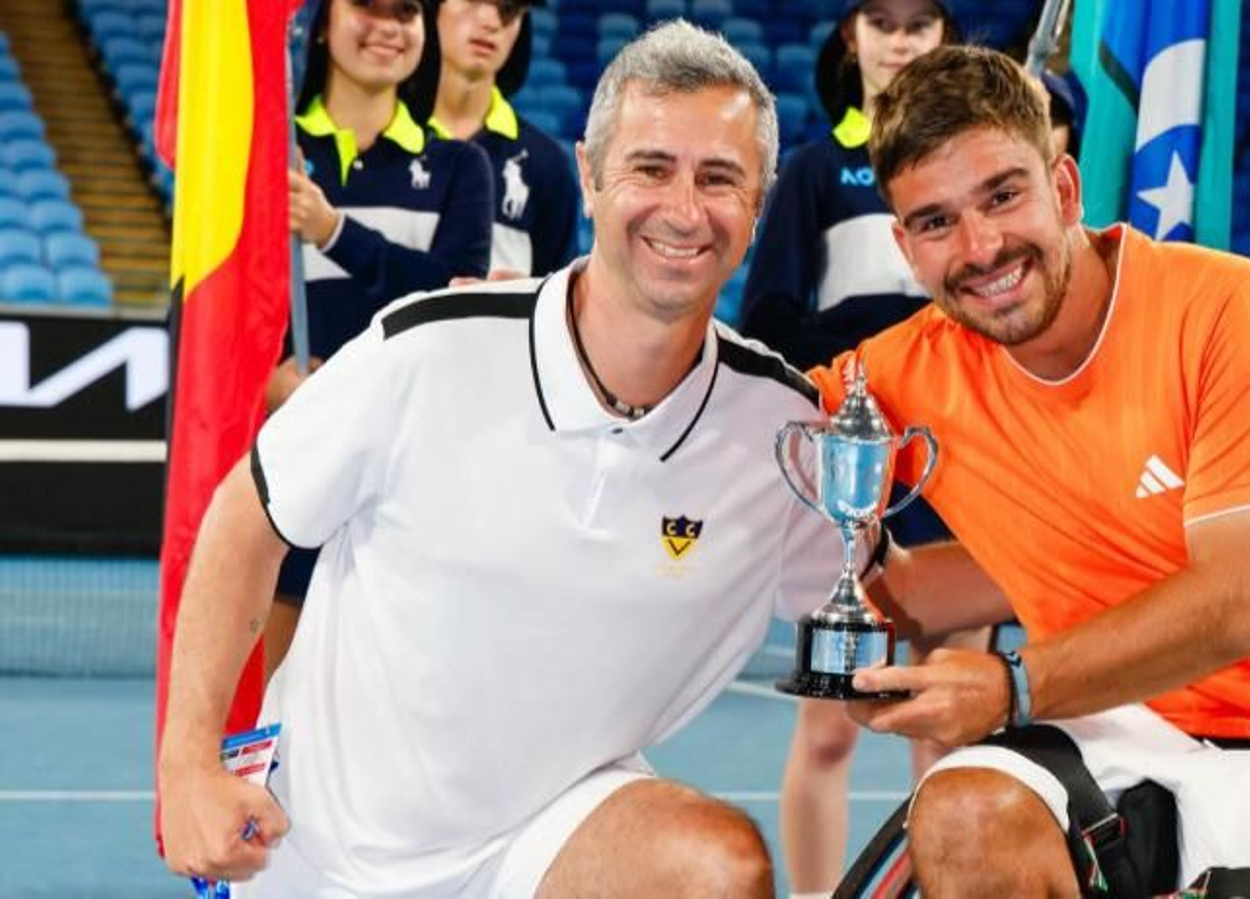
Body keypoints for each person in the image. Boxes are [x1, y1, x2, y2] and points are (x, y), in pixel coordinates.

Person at [158, 21, 849, 896]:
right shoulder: (429, 347)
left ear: (758, 207)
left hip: (549, 845)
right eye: (651, 167)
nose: (684, 208)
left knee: (711, 869)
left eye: (720, 178)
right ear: (590, 181)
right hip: (321, 851)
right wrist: (187, 766)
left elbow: (881, 598)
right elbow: (245, 518)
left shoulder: (784, 433)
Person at [806, 46, 1250, 896]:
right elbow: (738, 431)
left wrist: (1012, 685)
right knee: (960, 810)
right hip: (1114, 722)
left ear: (1063, 188)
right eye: (936, 220)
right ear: (905, 247)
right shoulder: (890, 378)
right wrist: (869, 583)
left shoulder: (1234, 310)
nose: (981, 247)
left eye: (1002, 195)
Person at [734, 3, 977, 894]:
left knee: (949, 716)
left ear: (944, 36)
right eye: (885, 20)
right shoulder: (811, 173)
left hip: (962, 473)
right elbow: (767, 320)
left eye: (921, 22)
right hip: (852, 478)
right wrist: (872, 369)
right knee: (831, 725)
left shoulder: (963, 169)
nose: (903, 39)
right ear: (853, 37)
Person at [263, 0, 494, 677]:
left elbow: (448, 303)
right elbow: (230, 312)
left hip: (410, 479)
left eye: (408, 12)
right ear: (326, 24)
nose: (390, 27)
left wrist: (336, 232)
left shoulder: (460, 169)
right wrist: (272, 378)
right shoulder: (273, 160)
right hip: (294, 478)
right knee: (274, 732)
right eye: (370, 6)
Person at [425, 0, 581, 277]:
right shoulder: (377, 138)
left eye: (508, 9)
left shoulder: (548, 166)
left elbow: (558, 306)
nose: (491, 21)